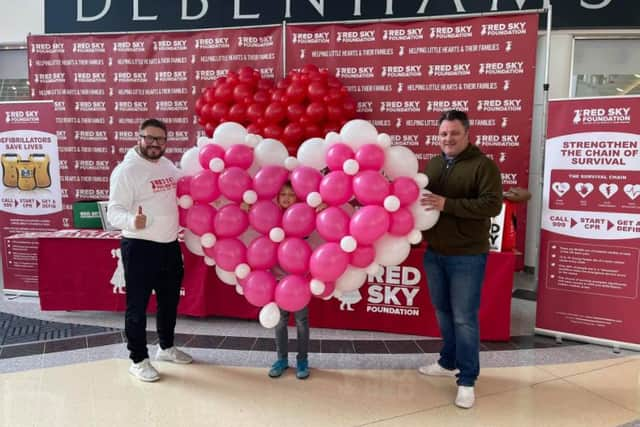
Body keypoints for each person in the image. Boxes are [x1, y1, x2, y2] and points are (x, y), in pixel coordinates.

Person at [418, 110, 503, 409]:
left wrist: (447, 204)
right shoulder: (434, 163)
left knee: (464, 319)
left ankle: (467, 380)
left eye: (454, 133)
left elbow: (491, 205)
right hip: (435, 253)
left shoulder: (484, 166)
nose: (448, 139)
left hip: (467, 255)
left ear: (467, 134)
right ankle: (447, 361)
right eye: (443, 134)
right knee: (442, 311)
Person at [108, 118, 192, 382]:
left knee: (169, 302)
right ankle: (138, 359)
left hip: (169, 246)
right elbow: (114, 212)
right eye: (150, 138)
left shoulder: (167, 165)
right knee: (137, 306)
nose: (155, 144)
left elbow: (189, 184)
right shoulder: (127, 171)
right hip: (140, 247)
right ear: (139, 137)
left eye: (161, 139)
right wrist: (133, 221)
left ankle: (165, 348)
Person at [268, 181, 311, 380]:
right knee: (280, 321)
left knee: (302, 321)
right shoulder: (271, 217)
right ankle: (281, 359)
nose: (286, 198)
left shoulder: (304, 217)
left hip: (299, 281)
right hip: (278, 279)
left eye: (291, 194)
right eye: (282, 194)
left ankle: (302, 360)